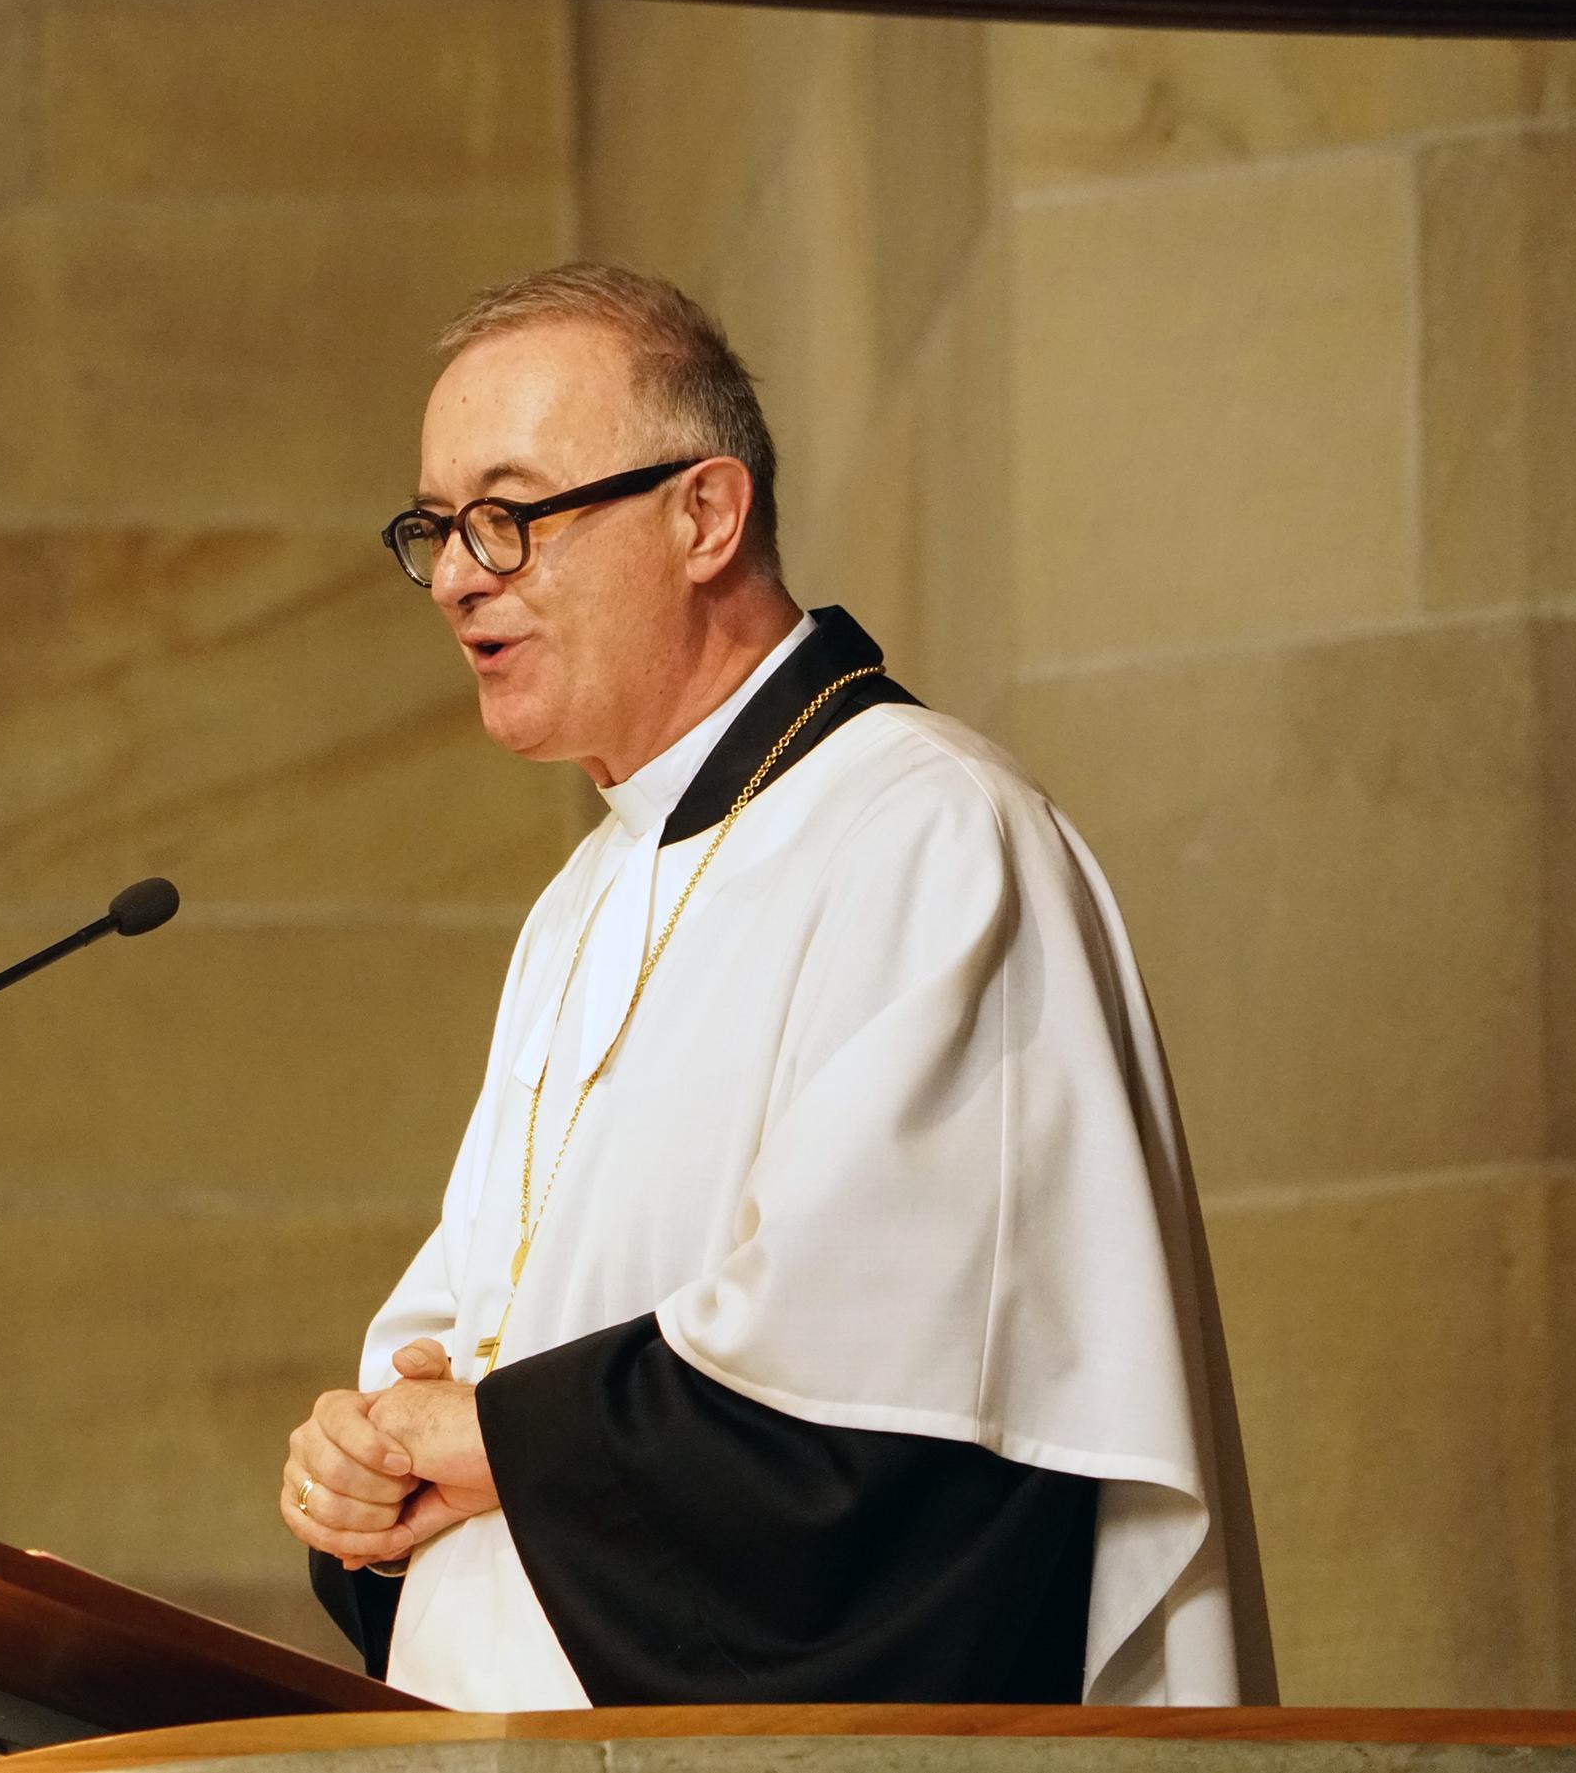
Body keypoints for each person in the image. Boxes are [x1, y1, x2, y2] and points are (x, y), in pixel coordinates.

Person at [278, 262, 1273, 1711]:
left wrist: (490, 1444)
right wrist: (362, 1461)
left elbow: (893, 1410)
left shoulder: (923, 833)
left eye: (509, 515)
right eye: (434, 528)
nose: (455, 575)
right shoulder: (580, 905)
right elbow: (472, 1332)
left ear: (704, 515)